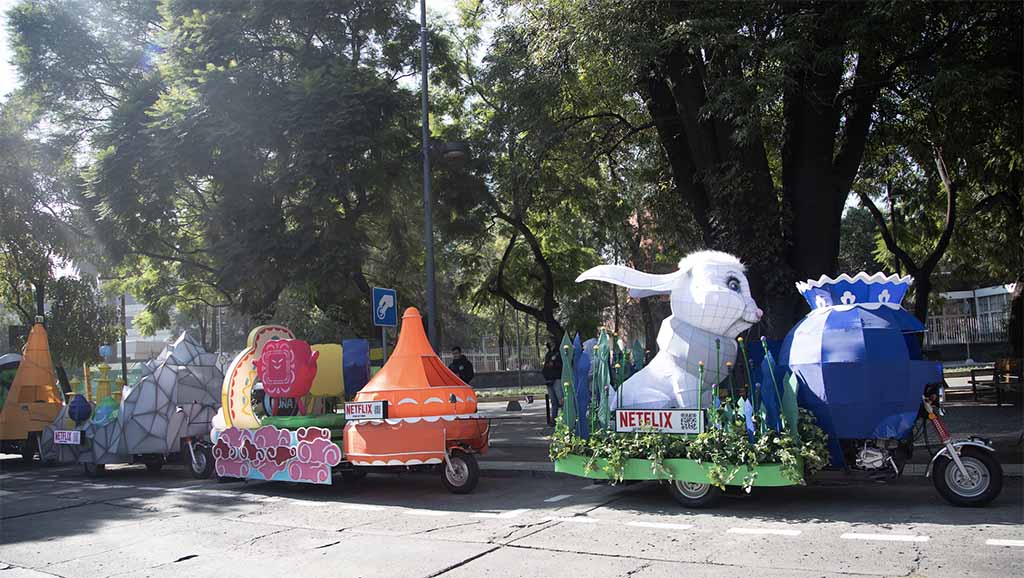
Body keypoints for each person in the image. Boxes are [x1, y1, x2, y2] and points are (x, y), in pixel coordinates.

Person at [542, 341, 563, 422]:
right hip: (549, 380)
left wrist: (554, 363)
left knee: (560, 400)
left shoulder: (559, 353)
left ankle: (563, 419)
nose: (551, 345)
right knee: (553, 402)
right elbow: (545, 366)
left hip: (557, 378)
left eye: (552, 343)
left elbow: (561, 365)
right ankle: (554, 420)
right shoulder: (548, 354)